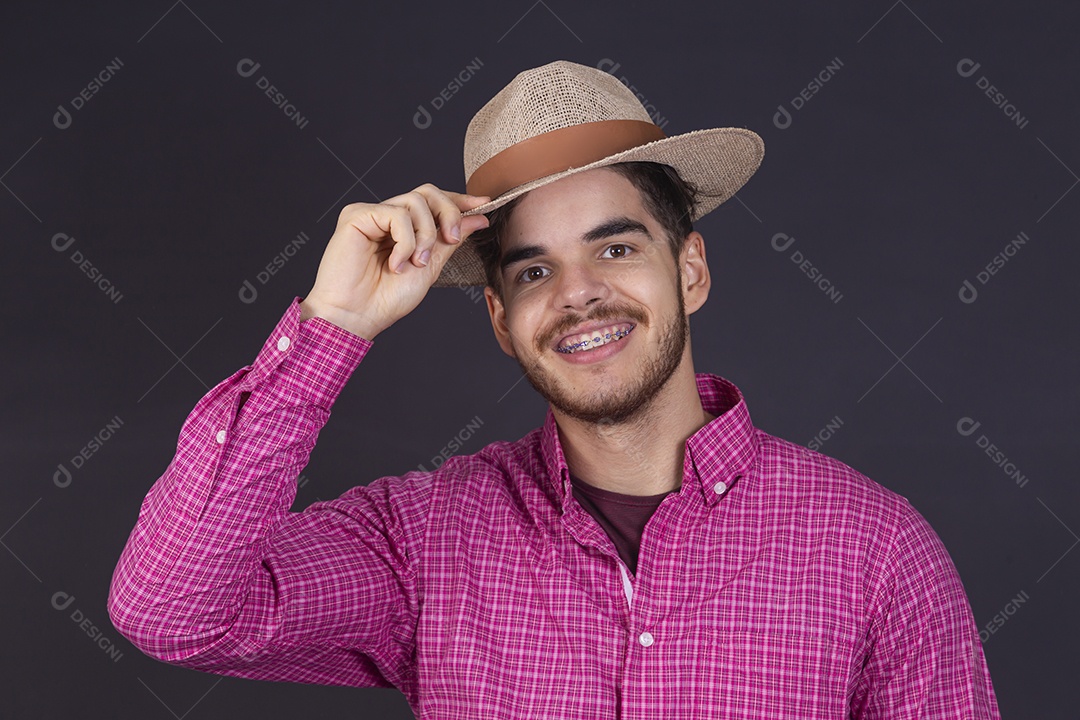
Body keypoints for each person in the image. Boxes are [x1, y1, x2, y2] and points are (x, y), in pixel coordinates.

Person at [109, 60, 1001, 718]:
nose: (579, 294)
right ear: (500, 318)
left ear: (689, 269)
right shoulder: (424, 540)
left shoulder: (875, 550)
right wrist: (332, 324)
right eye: (535, 271)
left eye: (616, 248)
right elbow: (173, 613)